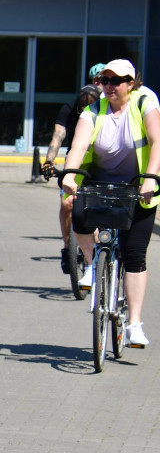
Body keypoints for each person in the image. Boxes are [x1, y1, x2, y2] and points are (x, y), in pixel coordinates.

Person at [61, 58, 160, 348]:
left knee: (134, 254)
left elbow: (157, 141)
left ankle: (134, 325)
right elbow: (78, 145)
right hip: (100, 181)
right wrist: (69, 176)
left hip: (139, 184)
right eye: (105, 80)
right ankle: (94, 264)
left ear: (132, 83)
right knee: (76, 211)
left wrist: (151, 180)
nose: (108, 86)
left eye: (115, 81)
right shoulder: (93, 109)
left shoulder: (145, 102)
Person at [42, 63, 104, 272]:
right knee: (67, 203)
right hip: (77, 159)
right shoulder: (69, 108)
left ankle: (99, 252)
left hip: (102, 160)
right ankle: (68, 247)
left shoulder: (107, 108)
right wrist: (49, 161)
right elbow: (58, 136)